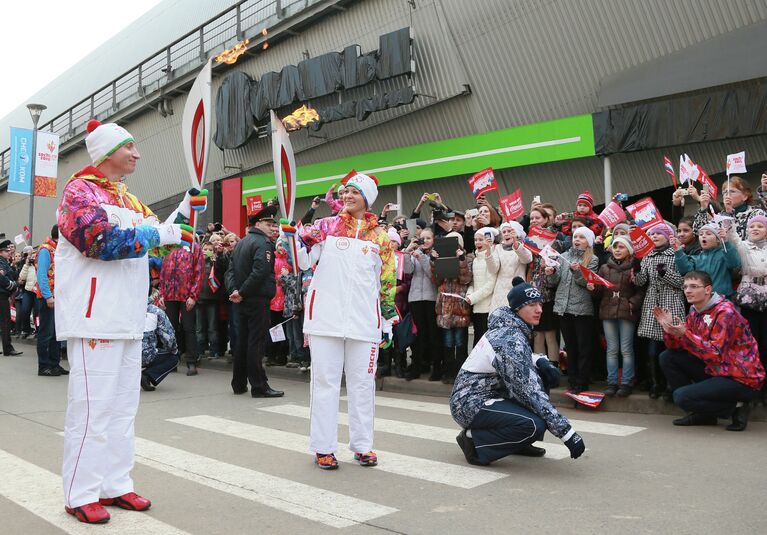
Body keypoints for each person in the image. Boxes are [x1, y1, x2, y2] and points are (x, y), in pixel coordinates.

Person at [56, 119, 203, 524]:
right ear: (106, 153)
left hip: (128, 316)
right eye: (129, 147)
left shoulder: (131, 201)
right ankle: (80, 492)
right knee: (91, 409)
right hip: (94, 318)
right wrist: (162, 235)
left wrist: (184, 213)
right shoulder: (78, 192)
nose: (137, 154)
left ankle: (115, 484)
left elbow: (152, 243)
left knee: (123, 408)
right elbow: (98, 242)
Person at [294, 172, 396, 470]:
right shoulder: (326, 226)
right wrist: (294, 237)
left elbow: (387, 282)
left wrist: (387, 322)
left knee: (363, 384)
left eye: (354, 191)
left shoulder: (381, 237)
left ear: (367, 197)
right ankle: (323, 447)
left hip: (365, 323)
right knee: (325, 383)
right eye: (345, 192)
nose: (348, 196)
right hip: (325, 319)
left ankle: (362, 445)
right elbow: (302, 261)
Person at [450, 277, 586, 465]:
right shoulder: (508, 338)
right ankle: (474, 442)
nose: (539, 309)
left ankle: (518, 443)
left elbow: (520, 358)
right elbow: (529, 392)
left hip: (488, 395)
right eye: (531, 304)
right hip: (469, 403)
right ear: (517, 309)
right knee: (533, 424)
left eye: (540, 303)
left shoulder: (512, 328)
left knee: (540, 377)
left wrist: (540, 361)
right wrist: (568, 434)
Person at [658, 271, 765, 430]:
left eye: (694, 286)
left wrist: (684, 334)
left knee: (681, 397)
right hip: (717, 369)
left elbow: (715, 352)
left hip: (741, 377)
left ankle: (736, 408)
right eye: (686, 286)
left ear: (708, 290)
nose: (687, 290)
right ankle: (703, 414)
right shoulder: (695, 310)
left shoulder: (725, 312)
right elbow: (678, 347)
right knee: (668, 357)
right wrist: (670, 331)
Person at [226, 205, 284, 398]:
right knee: (256, 344)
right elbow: (260, 271)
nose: (272, 228)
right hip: (256, 299)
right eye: (269, 224)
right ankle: (259, 386)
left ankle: (239, 383)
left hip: (242, 300)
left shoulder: (242, 242)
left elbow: (230, 272)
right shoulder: (263, 243)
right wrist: (240, 292)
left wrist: (235, 291)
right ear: (258, 224)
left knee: (243, 341)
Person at [632, 222, 685, 400]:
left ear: (667, 236)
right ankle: (655, 383)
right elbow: (641, 282)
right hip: (652, 305)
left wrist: (665, 274)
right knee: (652, 350)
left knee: (671, 347)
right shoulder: (647, 256)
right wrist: (636, 275)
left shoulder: (676, 255)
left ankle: (671, 386)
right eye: (652, 235)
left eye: (658, 234)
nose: (654, 237)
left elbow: (681, 283)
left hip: (671, 303)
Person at [545, 226, 599, 393]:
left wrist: (576, 272)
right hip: (563, 307)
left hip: (582, 309)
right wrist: (551, 272)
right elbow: (554, 282)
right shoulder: (564, 256)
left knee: (583, 347)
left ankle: (582, 381)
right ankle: (572, 378)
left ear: (588, 242)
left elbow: (587, 283)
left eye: (582, 238)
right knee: (570, 346)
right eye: (575, 237)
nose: (577, 240)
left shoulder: (593, 259)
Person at [589, 236, 645, 396]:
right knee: (612, 349)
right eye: (615, 247)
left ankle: (626, 382)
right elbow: (599, 291)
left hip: (626, 312)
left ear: (629, 250)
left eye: (622, 247)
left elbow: (641, 291)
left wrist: (631, 304)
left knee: (626, 349)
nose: (618, 250)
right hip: (608, 311)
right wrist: (592, 288)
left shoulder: (634, 267)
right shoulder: (605, 268)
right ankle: (612, 382)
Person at [727, 215, 767, 397]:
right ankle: (753, 383)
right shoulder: (743, 246)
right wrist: (727, 213)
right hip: (749, 297)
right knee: (752, 342)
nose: (756, 229)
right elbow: (732, 234)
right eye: (752, 226)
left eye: (761, 226)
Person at [160, 236, 204, 375]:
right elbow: (163, 271)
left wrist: (193, 295)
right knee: (170, 329)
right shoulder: (169, 247)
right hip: (169, 294)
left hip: (186, 295)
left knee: (188, 328)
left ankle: (192, 362)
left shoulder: (194, 248)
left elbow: (199, 273)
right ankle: (172, 361)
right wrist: (161, 293)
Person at [433, 231, 472, 384]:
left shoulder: (467, 258)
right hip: (444, 307)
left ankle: (461, 373)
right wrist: (433, 261)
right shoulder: (441, 258)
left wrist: (461, 259)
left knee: (460, 341)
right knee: (448, 341)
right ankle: (448, 372)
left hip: (460, 306)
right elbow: (436, 280)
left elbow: (466, 279)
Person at [403, 228, 441, 380]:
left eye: (428, 238)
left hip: (431, 298)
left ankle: (436, 368)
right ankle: (416, 367)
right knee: (418, 335)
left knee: (433, 335)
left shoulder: (435, 254)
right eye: (422, 238)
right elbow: (407, 270)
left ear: (433, 240)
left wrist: (422, 257)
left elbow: (433, 275)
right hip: (415, 298)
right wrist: (407, 251)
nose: (424, 241)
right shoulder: (415, 252)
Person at [672, 223, 740, 300]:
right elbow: (685, 270)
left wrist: (726, 242)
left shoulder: (724, 253)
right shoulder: (696, 258)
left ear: (718, 240)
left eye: (708, 234)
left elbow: (734, 263)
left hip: (723, 298)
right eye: (701, 234)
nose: (703, 236)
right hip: (702, 299)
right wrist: (678, 251)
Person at [35, 226, 66, 376]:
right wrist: (48, 296)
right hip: (48, 298)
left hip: (58, 297)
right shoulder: (45, 250)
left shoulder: (58, 250)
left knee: (56, 333)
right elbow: (42, 275)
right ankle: (44, 366)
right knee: (46, 333)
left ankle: (55, 364)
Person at [465, 227, 499, 346]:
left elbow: (490, 285)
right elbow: (473, 282)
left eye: (481, 239)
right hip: (476, 306)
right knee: (477, 339)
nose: (477, 242)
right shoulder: (475, 260)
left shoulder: (491, 258)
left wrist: (473, 297)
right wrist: (469, 294)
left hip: (487, 307)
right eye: (476, 240)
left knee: (484, 340)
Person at [488, 221, 532, 312]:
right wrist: (488, 253)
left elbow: (527, 259)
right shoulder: (497, 248)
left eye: (509, 231)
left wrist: (516, 245)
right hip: (499, 291)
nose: (506, 234)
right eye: (504, 232)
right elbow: (493, 269)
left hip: (517, 289)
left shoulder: (522, 247)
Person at [141, 300, 180, 391]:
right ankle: (147, 375)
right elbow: (168, 338)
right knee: (174, 357)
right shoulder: (156, 311)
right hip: (145, 355)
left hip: (121, 355)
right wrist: (173, 349)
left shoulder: (121, 307)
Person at [0, 240, 22, 356]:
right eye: (6, 251)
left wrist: (13, 266)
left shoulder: (5, 262)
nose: (9, 253)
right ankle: (7, 349)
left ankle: (7, 347)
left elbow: (12, 275)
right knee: (5, 322)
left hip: (4, 295)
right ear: (1, 252)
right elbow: (2, 279)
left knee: (4, 322)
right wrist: (12, 285)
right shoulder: (1, 262)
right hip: (2, 295)